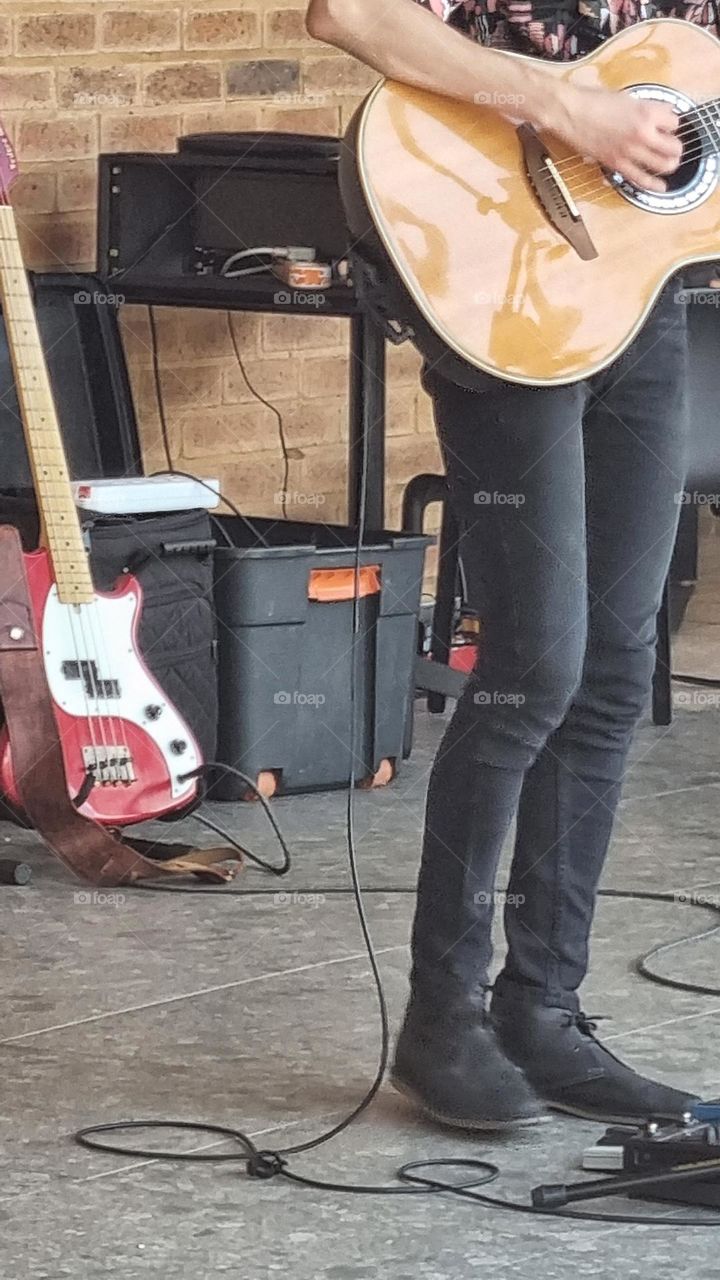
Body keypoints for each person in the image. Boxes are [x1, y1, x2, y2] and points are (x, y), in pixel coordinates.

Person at [306, 0, 711, 1129]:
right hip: (496, 265)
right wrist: (568, 104)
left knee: (619, 668)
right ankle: (443, 1015)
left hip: (644, 286)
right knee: (535, 664)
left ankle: (543, 1006)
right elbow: (350, 13)